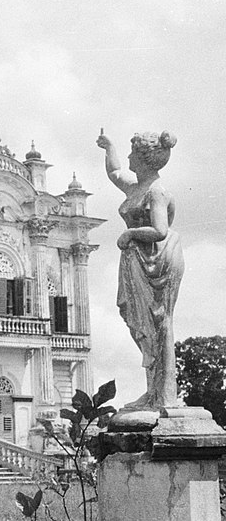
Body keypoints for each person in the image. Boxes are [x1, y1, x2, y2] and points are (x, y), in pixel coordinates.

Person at [96, 130, 183, 409]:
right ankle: (153, 391)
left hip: (155, 263)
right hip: (137, 261)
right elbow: (114, 172)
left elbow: (159, 230)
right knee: (142, 327)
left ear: (145, 159)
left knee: (158, 324)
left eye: (133, 152)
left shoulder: (156, 191)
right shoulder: (135, 187)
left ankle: (164, 394)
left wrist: (131, 234)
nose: (129, 156)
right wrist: (109, 146)